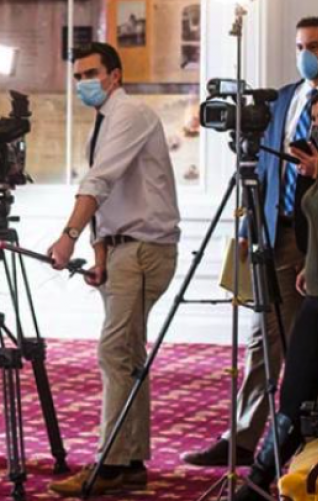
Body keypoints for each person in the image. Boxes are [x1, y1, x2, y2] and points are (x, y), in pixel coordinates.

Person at [182, 16, 318, 468]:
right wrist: (245, 230)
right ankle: (243, 439)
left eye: (314, 46)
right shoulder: (282, 99)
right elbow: (259, 169)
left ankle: (298, 440)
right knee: (263, 339)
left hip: (314, 238)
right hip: (275, 232)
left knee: (305, 348)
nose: (306, 56)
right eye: (301, 46)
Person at [46, 42, 180, 496]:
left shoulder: (131, 115)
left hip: (145, 249)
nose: (84, 82)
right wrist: (99, 255)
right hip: (122, 251)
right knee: (127, 356)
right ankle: (131, 463)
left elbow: (99, 183)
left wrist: (67, 235)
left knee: (114, 352)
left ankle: (108, 464)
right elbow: (110, 196)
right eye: (78, 75)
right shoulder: (103, 123)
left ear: (115, 75)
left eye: (91, 73)